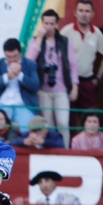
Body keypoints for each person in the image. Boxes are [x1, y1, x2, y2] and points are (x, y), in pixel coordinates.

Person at [25, 9, 79, 147]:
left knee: (62, 122)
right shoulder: (36, 40)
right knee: (47, 123)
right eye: (46, 23)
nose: (48, 27)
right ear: (42, 24)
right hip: (43, 89)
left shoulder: (65, 42)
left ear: (57, 24)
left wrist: (74, 86)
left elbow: (72, 64)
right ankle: (50, 149)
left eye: (51, 24)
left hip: (61, 89)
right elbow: (29, 61)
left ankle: (64, 149)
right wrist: (40, 39)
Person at [60, 0, 103, 116]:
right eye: (80, 10)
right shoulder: (66, 32)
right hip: (68, 82)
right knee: (69, 116)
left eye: (87, 11)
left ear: (92, 14)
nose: (83, 14)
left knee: (90, 116)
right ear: (75, 13)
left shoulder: (97, 33)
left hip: (87, 82)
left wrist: (98, 78)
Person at [0, 37, 41, 133]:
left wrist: (20, 75)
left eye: (15, 56)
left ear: (20, 53)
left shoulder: (30, 64)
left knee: (27, 129)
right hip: (2, 104)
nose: (12, 60)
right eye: (9, 57)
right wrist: (6, 77)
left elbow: (35, 86)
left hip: (23, 106)